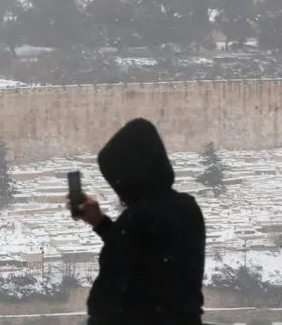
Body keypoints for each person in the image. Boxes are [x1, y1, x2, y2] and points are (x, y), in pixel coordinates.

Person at [70, 117, 206, 325]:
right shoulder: (187, 208)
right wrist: (101, 223)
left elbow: (111, 295)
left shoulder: (137, 220)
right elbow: (147, 252)